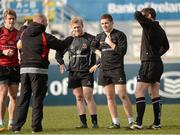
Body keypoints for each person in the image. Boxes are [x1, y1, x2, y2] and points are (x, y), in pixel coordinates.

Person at [11, 14, 73, 133]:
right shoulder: (45, 36)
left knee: (23, 98)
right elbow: (61, 45)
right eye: (46, 21)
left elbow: (21, 31)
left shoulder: (23, 34)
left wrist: (25, 26)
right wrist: (71, 37)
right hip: (38, 71)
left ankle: (16, 127)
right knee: (37, 99)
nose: (47, 23)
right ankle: (36, 127)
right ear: (42, 22)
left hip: (23, 71)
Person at [90, 13, 134, 129]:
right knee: (110, 97)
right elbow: (92, 46)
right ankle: (116, 122)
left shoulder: (120, 35)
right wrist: (98, 52)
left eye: (106, 23)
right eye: (102, 24)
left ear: (112, 23)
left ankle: (131, 121)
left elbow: (122, 52)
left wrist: (111, 44)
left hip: (117, 69)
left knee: (123, 95)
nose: (104, 25)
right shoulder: (99, 36)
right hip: (104, 70)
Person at [55, 17, 98, 129]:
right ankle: (83, 123)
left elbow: (100, 52)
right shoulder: (69, 40)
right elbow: (58, 53)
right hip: (73, 72)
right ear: (71, 28)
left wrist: (96, 64)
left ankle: (94, 122)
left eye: (78, 27)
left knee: (88, 95)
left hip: (86, 72)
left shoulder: (90, 39)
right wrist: (61, 63)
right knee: (79, 97)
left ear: (82, 26)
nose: (77, 29)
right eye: (74, 27)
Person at [130, 7, 169, 130]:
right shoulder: (161, 29)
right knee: (154, 93)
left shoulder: (149, 25)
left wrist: (141, 13)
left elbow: (136, 15)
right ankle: (157, 123)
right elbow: (166, 46)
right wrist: (157, 54)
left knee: (139, 91)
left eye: (144, 15)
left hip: (148, 63)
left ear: (150, 16)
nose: (142, 18)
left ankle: (138, 123)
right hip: (157, 63)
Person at [0, 9, 20, 132]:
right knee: (2, 95)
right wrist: (3, 52)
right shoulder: (0, 31)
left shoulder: (18, 33)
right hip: (2, 66)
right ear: (5, 19)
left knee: (13, 96)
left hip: (15, 67)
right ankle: (1, 122)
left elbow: (21, 48)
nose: (11, 20)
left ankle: (11, 122)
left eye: (13, 18)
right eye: (9, 18)